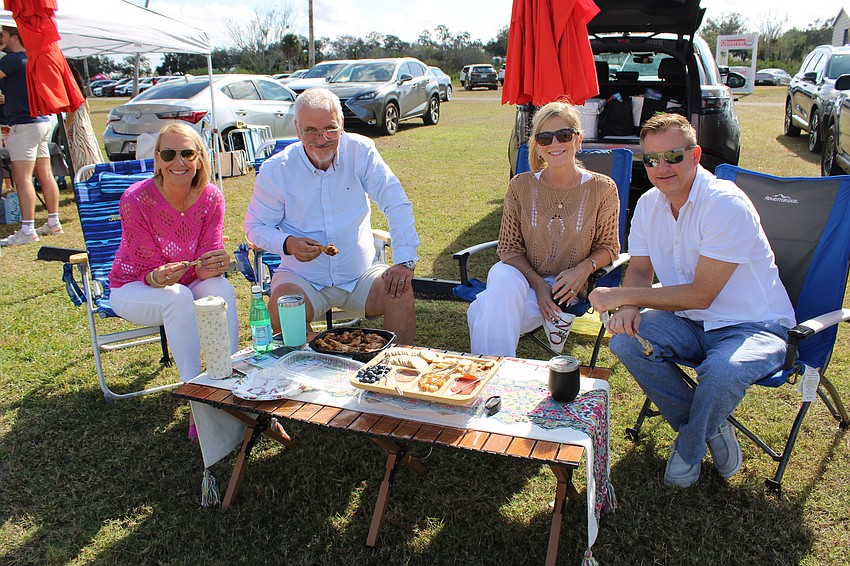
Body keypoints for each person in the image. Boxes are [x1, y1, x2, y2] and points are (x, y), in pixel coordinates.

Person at [589, 113, 795, 488]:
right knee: (625, 342)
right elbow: (640, 270)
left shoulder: (724, 205)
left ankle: (688, 446)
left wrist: (620, 296)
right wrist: (631, 307)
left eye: (673, 155)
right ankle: (709, 428)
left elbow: (703, 293)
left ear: (696, 154)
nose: (661, 167)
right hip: (689, 320)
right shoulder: (650, 204)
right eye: (651, 160)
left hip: (753, 325)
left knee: (720, 373)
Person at [245, 87, 420, 344]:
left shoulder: (361, 151)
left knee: (399, 289)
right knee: (282, 307)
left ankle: (395, 368)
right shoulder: (277, 170)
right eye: (311, 130)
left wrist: (405, 261)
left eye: (330, 128)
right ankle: (308, 370)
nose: (322, 139)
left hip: (361, 274)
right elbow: (255, 226)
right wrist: (288, 243)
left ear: (342, 125)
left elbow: (396, 202)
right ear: (297, 129)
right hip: (303, 278)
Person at [467, 101, 620, 357]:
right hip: (521, 277)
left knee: (482, 311)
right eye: (545, 137)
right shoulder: (520, 186)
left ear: (578, 140)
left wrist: (583, 270)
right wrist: (538, 285)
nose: (555, 144)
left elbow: (609, 247)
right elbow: (508, 249)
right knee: (503, 281)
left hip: (565, 289)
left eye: (564, 135)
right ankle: (495, 384)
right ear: (537, 146)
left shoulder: (602, 189)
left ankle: (490, 382)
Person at [108, 122, 238, 382]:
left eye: (187, 154)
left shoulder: (211, 197)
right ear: (157, 160)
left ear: (199, 160)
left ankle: (228, 374)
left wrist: (217, 262)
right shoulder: (135, 199)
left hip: (188, 281)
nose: (178, 161)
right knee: (177, 296)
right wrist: (158, 277)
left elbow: (204, 262)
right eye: (168, 154)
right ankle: (194, 392)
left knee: (221, 289)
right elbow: (148, 270)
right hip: (132, 287)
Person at [0, 25, 63, 246]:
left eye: (3, 36)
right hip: (42, 121)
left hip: (24, 124)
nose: (1, 39)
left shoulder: (11, 60)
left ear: (14, 37)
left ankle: (27, 229)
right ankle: (53, 221)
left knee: (22, 177)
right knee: (45, 174)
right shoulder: (31, 58)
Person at [66, 66, 104, 180]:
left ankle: (85, 178)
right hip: (84, 122)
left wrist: (66, 127)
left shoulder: (70, 88)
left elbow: (72, 110)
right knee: (90, 151)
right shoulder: (79, 88)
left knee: (81, 154)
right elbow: (87, 108)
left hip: (76, 124)